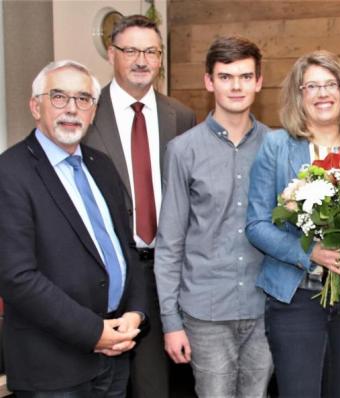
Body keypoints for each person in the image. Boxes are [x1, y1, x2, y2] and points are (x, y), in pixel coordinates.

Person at [0, 60, 147, 396]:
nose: (71, 108)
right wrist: (94, 332)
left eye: (83, 99)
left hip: (116, 354)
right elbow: (15, 277)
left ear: (93, 112)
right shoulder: (9, 172)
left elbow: (127, 249)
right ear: (35, 106)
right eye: (58, 97)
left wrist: (135, 314)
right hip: (53, 366)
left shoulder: (102, 166)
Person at [246, 50, 340, 397]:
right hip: (296, 297)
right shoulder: (276, 146)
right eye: (312, 86)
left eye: (330, 84)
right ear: (299, 94)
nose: (323, 94)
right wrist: (309, 253)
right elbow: (257, 224)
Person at [82, 14, 197, 397]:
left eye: (151, 52)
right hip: (103, 271)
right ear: (112, 53)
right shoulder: (86, 112)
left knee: (155, 385)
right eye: (131, 50)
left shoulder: (181, 116)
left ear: (161, 58)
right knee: (101, 384)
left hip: (163, 269)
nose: (142, 61)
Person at [154, 36, 273, 398]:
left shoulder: (277, 146)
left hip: (265, 306)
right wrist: (170, 322)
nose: (236, 86)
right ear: (209, 82)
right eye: (225, 77)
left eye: (245, 76)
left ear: (258, 82)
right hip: (205, 311)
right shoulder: (182, 150)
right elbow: (170, 242)